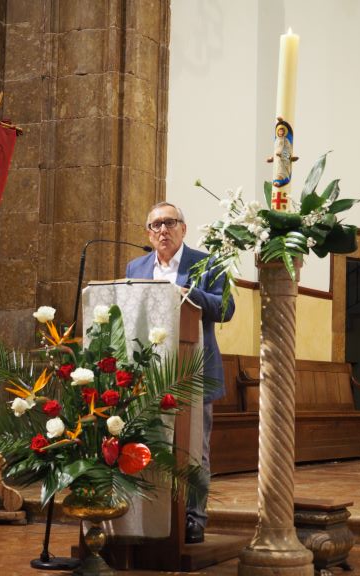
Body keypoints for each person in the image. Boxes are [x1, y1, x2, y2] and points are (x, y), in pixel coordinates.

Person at [126, 201, 235, 544]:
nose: (163, 230)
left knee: (194, 451)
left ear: (183, 229)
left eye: (170, 223)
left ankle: (193, 518)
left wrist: (192, 294)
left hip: (193, 371)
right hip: (149, 375)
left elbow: (227, 308)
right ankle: (153, 517)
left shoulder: (206, 264)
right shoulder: (136, 267)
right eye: (156, 225)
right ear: (148, 233)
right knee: (149, 445)